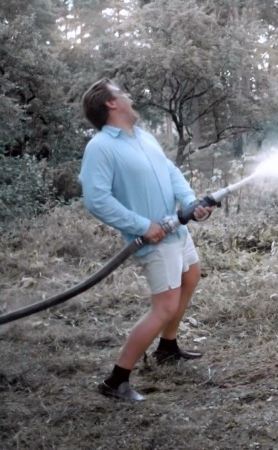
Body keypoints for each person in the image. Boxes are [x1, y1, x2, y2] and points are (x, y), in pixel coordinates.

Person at [79, 78, 214, 402]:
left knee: (190, 277)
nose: (128, 96)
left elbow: (169, 171)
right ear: (112, 104)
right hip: (153, 239)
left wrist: (190, 201)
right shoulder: (100, 147)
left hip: (176, 230)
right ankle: (116, 380)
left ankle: (167, 348)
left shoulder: (143, 136)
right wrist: (142, 225)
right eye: (121, 93)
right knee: (164, 306)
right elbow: (96, 199)